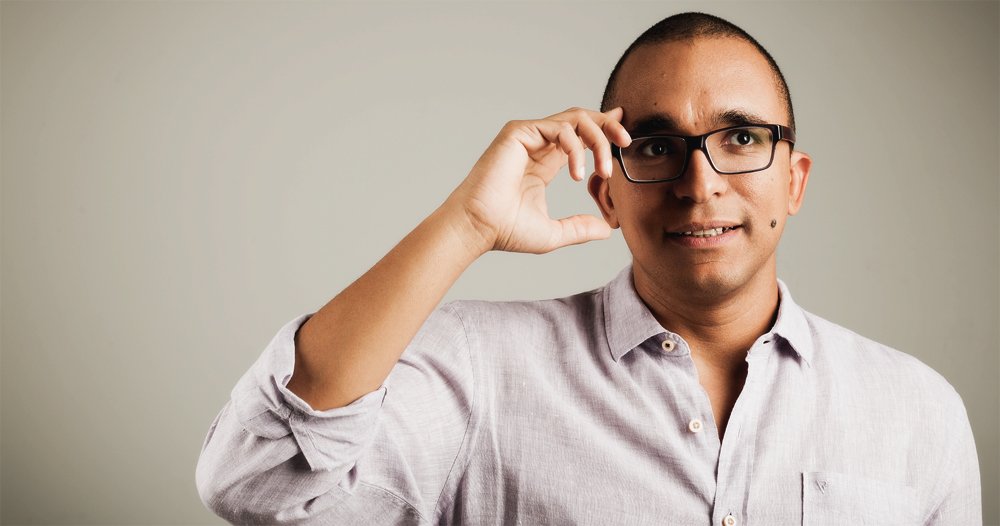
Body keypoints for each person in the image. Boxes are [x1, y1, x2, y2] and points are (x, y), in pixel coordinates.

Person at [196, 12, 981, 525]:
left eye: (741, 138)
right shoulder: (480, 372)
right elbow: (259, 480)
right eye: (657, 145)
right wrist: (466, 225)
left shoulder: (917, 410)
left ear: (795, 181)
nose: (699, 182)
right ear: (606, 188)